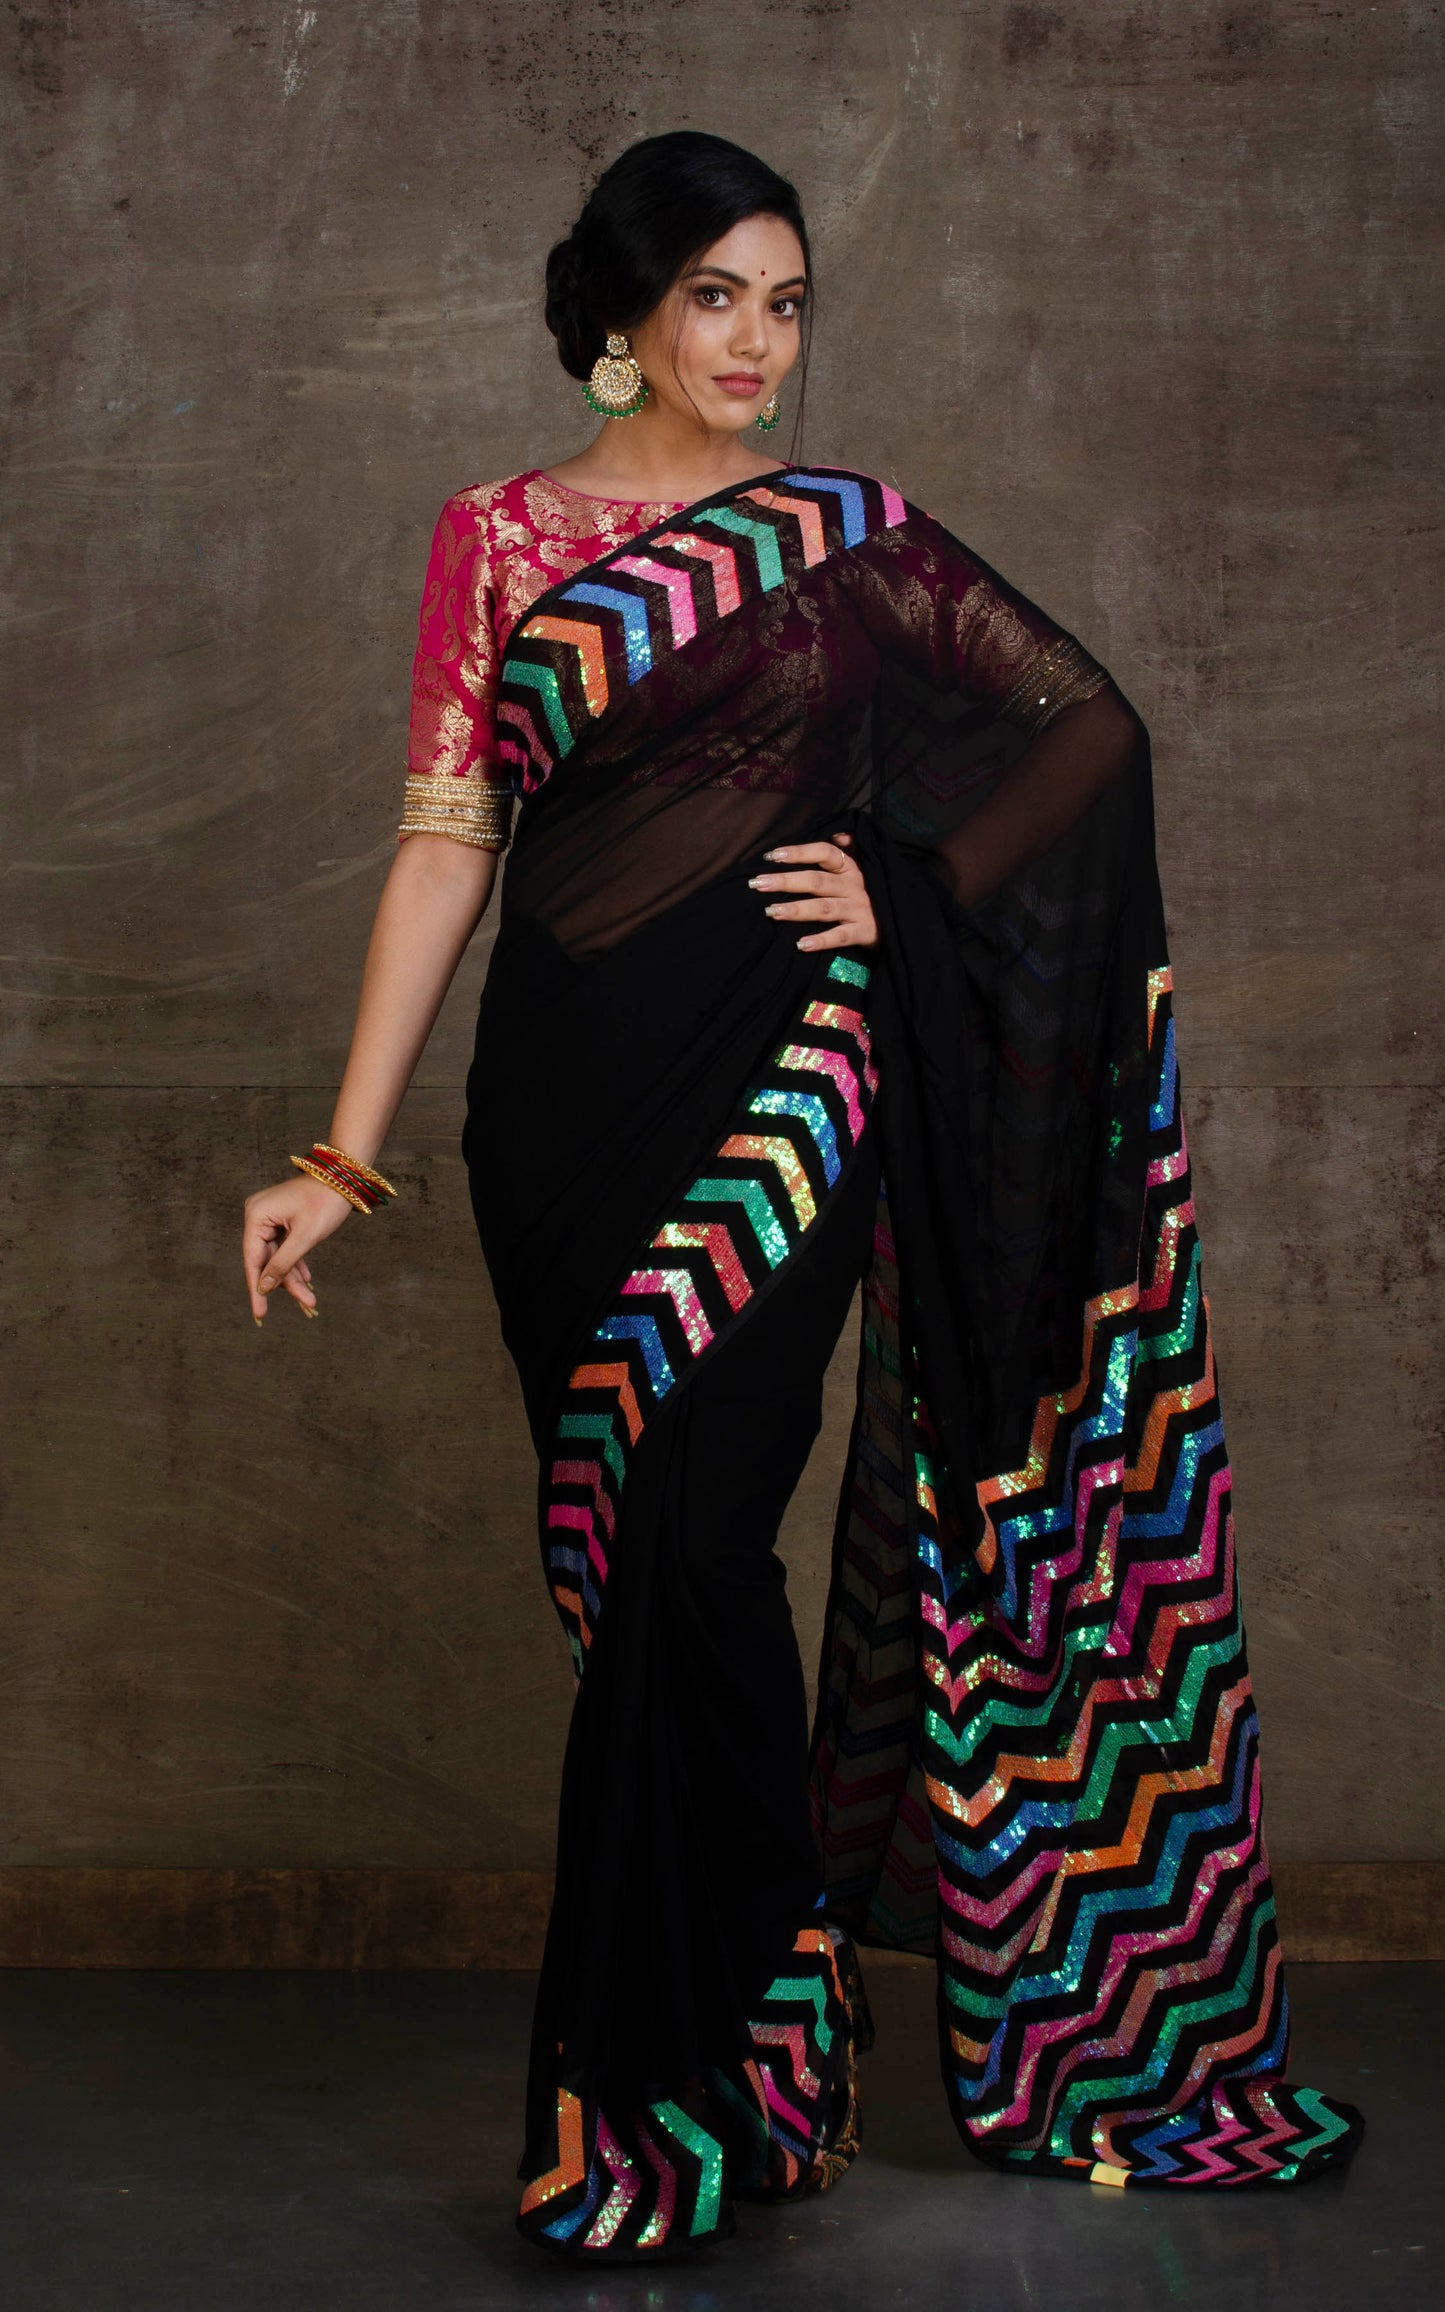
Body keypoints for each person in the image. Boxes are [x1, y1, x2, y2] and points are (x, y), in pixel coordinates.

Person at [241, 130, 1362, 2263]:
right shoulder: (496, 538)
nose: (757, 342)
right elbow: (448, 844)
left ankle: (647, 2102)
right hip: (558, 1117)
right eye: (715, 298)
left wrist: (914, 884)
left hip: (785, 1098)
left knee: (693, 1534)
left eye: (786, 302)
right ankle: (766, 2046)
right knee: (648, 1588)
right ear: (622, 314)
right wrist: (341, 1154)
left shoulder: (850, 540)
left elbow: (1086, 734)